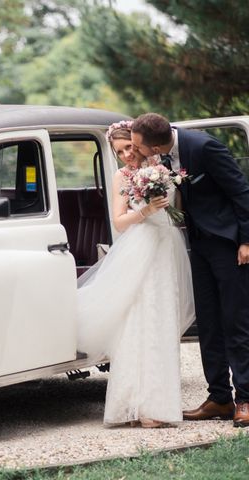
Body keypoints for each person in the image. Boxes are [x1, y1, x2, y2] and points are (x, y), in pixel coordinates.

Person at [131, 113, 249, 427]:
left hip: (228, 244)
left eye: (139, 147)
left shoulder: (205, 147)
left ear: (154, 144)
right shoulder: (160, 158)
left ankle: (245, 399)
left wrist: (246, 242)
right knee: (208, 322)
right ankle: (219, 398)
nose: (137, 152)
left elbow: (241, 193)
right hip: (197, 244)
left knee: (236, 321)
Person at [77, 120, 195, 428]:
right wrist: (146, 210)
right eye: (120, 151)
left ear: (138, 142)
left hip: (166, 246)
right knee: (139, 323)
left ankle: (160, 405)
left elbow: (179, 204)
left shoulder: (162, 167)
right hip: (140, 247)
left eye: (130, 146)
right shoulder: (121, 177)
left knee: (163, 322)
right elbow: (119, 221)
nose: (128, 155)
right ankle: (134, 406)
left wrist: (166, 202)